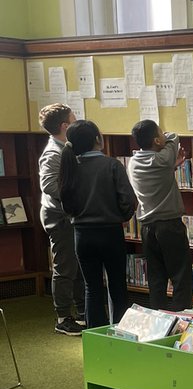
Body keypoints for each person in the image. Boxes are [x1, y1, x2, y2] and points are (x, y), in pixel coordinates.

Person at [58, 120, 137, 329]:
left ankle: (95, 335)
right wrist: (121, 216)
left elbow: (66, 204)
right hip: (110, 232)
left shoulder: (70, 167)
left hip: (82, 235)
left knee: (91, 287)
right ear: (97, 139)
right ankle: (121, 334)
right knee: (117, 286)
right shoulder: (112, 165)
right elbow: (128, 200)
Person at [127, 120, 193, 312]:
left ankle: (158, 317)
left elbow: (158, 171)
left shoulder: (133, 163)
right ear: (156, 140)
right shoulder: (162, 159)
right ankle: (182, 316)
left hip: (148, 227)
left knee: (156, 277)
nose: (164, 135)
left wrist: (171, 166)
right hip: (170, 225)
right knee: (181, 276)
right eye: (160, 133)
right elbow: (173, 136)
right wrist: (167, 151)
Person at [37, 102, 86, 336]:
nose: (77, 121)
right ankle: (63, 318)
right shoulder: (53, 153)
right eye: (74, 118)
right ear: (65, 125)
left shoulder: (68, 147)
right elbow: (48, 185)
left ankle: (83, 312)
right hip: (59, 216)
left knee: (77, 266)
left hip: (70, 214)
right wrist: (75, 194)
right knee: (65, 266)